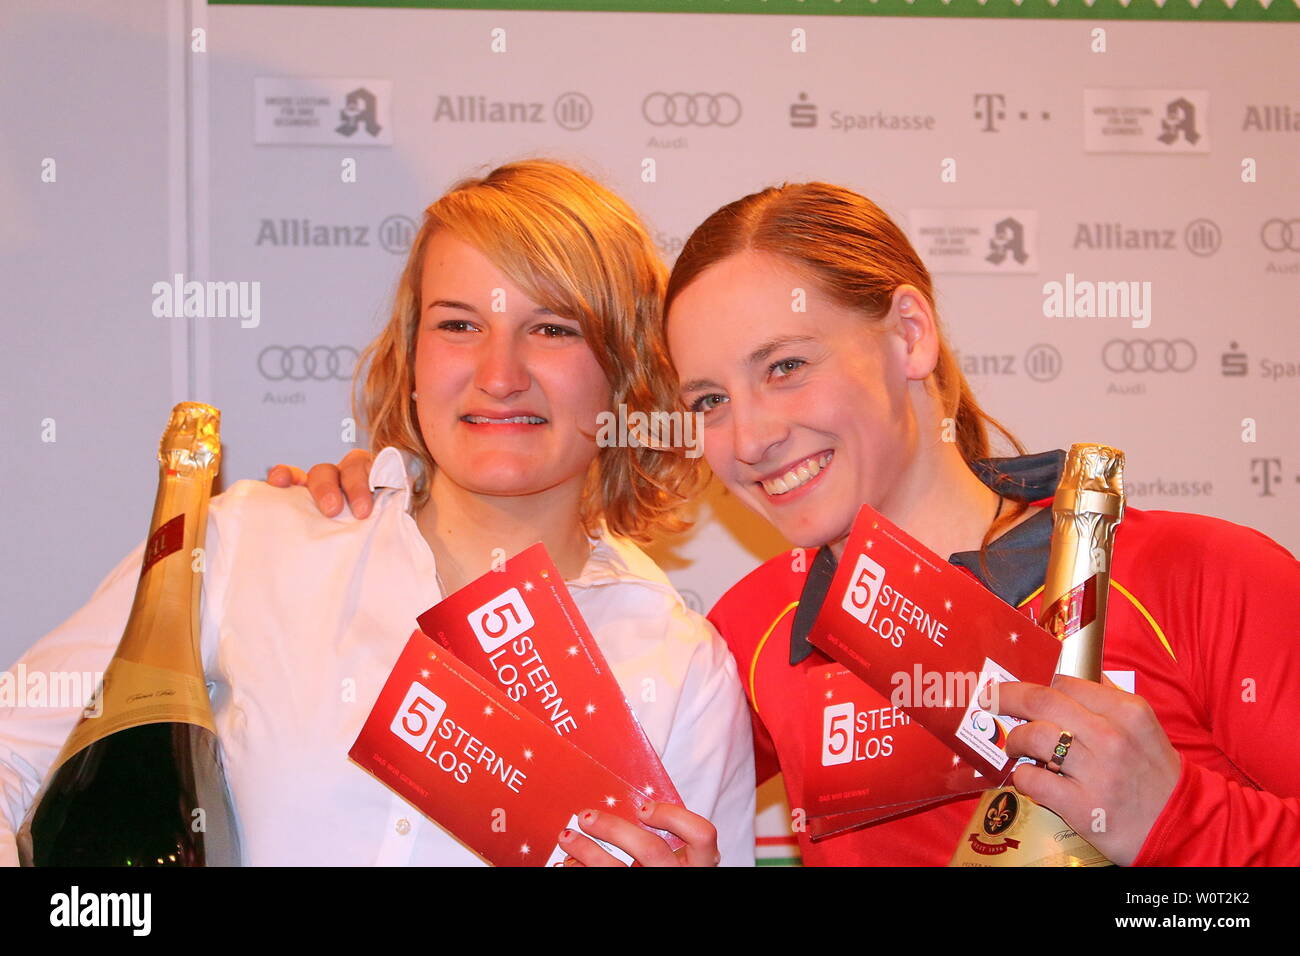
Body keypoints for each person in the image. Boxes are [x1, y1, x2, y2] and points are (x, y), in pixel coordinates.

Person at [297, 180, 1300, 867]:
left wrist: (1178, 825)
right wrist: (386, 507)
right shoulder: (744, 635)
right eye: (706, 400)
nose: (753, 435)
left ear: (909, 334)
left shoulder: (1199, 576)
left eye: (785, 365)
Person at [0, 159, 756, 867]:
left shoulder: (679, 665)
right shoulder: (252, 542)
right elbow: (11, 754)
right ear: (412, 356)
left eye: (553, 328)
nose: (499, 376)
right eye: (458, 325)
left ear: (626, 367)